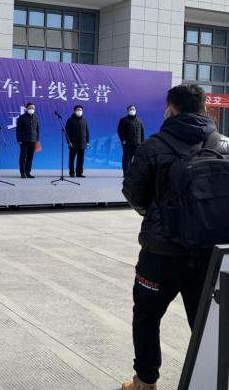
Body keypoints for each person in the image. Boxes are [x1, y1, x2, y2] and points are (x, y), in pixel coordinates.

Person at [121, 84, 229, 390]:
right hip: (211, 254)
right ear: (205, 109)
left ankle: (145, 382)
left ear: (170, 109)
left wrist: (157, 214)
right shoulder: (224, 145)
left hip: (161, 253)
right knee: (208, 322)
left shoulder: (153, 146)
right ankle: (212, 381)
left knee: (147, 315)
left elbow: (133, 193)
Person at [117, 105, 145, 176]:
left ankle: (136, 174)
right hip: (127, 143)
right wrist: (123, 140)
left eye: (134, 109)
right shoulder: (123, 120)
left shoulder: (139, 120)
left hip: (137, 143)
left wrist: (142, 142)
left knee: (137, 159)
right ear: (128, 110)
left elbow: (142, 132)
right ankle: (126, 174)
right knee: (126, 158)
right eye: (131, 109)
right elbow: (119, 131)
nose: (132, 110)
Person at [16, 102, 40, 178]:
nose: (32, 109)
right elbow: (18, 129)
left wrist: (37, 140)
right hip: (24, 140)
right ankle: (22, 173)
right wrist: (19, 139)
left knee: (30, 157)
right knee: (23, 157)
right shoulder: (22, 117)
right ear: (26, 109)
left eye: (33, 108)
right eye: (30, 108)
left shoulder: (36, 118)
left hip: (33, 140)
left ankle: (28, 172)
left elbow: (37, 130)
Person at [65, 105, 89, 178]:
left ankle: (79, 173)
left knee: (81, 159)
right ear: (74, 111)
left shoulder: (84, 120)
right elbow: (67, 132)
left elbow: (87, 131)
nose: (79, 111)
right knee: (72, 159)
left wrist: (87, 141)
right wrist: (69, 142)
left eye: (81, 110)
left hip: (82, 143)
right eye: (78, 110)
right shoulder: (70, 120)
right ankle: (72, 172)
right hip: (73, 143)